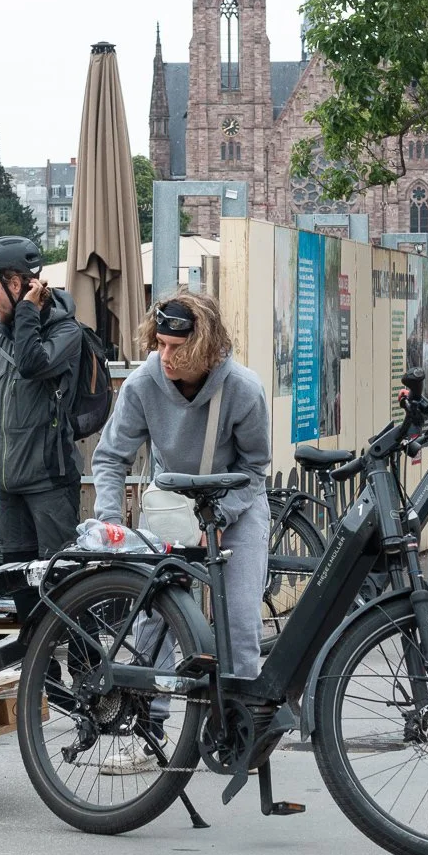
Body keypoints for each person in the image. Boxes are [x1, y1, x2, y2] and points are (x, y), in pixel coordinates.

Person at [91, 291, 272, 773]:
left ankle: (239, 731)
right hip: (173, 505)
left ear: (205, 347)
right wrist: (111, 522)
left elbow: (256, 469)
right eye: (160, 344)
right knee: (154, 619)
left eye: (176, 347)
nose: (165, 356)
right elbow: (110, 457)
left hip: (236, 505)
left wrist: (221, 516)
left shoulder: (243, 388)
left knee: (238, 621)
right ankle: (146, 731)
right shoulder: (143, 383)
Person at [0, 235, 84, 608]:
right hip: (9, 488)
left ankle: (83, 653)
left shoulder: (66, 332)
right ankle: (35, 653)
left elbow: (33, 363)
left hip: (49, 484)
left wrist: (28, 311)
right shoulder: (1, 336)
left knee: (62, 594)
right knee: (22, 595)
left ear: (16, 284)